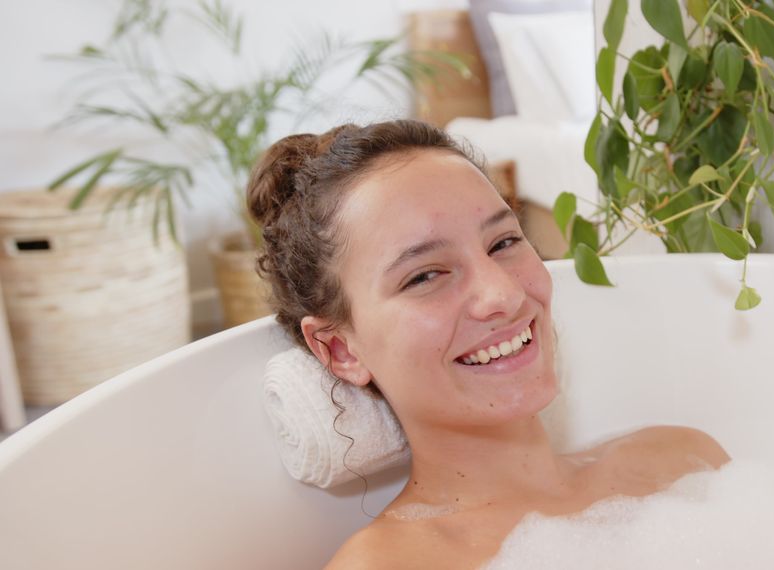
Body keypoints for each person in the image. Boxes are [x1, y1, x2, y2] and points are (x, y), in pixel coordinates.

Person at [247, 119, 730, 569]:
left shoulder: (684, 462)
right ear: (341, 350)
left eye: (503, 243)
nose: (504, 293)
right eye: (425, 275)